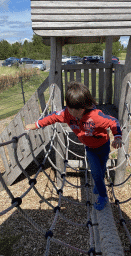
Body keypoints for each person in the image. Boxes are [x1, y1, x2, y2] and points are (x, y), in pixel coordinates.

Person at [25, 81, 122, 211]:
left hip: (103, 146)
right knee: (96, 172)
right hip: (90, 149)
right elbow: (52, 117)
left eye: (76, 109)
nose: (72, 112)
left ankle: (98, 185)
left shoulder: (95, 116)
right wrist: (36, 125)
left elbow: (113, 122)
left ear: (85, 106)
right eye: (69, 107)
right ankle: (103, 196)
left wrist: (118, 137)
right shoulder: (67, 113)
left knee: (102, 168)